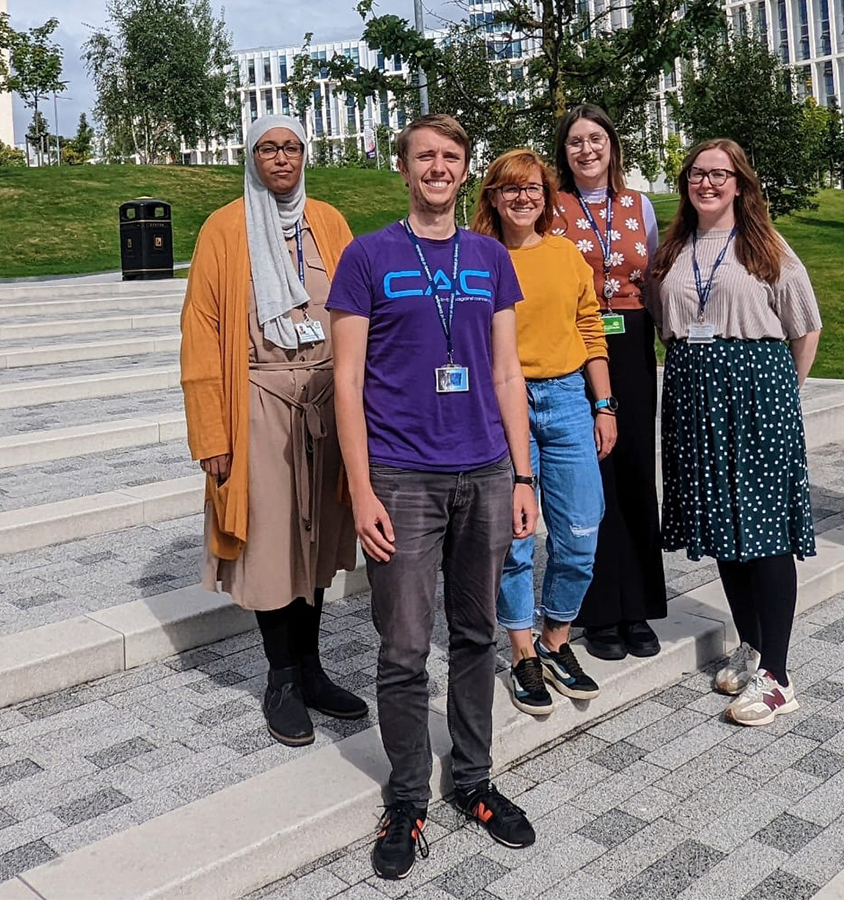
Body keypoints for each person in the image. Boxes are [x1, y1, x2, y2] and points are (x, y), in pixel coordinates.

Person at [327, 114, 540, 880]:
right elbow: (345, 383)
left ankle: (476, 783)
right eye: (425, 156)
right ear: (404, 166)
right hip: (402, 477)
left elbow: (508, 374)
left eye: (451, 157)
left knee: (477, 635)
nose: (438, 168)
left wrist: (522, 475)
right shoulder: (368, 256)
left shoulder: (490, 258)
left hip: (485, 469)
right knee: (404, 648)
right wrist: (361, 490)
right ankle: (409, 796)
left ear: (463, 168)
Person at [179, 115, 367, 748]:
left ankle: (312, 669)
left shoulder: (331, 223)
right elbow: (202, 333)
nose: (281, 158)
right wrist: (212, 436)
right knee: (270, 542)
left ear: (305, 153)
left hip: (325, 398)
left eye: (291, 146)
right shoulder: (225, 229)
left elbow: (359, 310)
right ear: (252, 156)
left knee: (316, 539)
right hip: (255, 398)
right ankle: (281, 676)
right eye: (269, 148)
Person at [646, 137, 822, 727]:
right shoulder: (673, 248)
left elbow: (805, 325)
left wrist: (781, 393)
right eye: (698, 173)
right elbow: (661, 321)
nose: (708, 183)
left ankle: (777, 673)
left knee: (765, 528)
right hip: (693, 394)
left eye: (720, 174)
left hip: (757, 393)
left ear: (741, 184)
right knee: (722, 524)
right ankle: (750, 642)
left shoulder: (765, 245)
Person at [471, 148, 616, 717]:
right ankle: (522, 650)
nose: (522, 197)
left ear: (547, 195)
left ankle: (557, 639)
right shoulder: (476, 256)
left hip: (567, 400)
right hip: (503, 404)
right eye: (509, 189)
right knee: (515, 539)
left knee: (582, 530)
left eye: (532, 187)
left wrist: (604, 404)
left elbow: (590, 329)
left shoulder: (567, 256)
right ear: (493, 198)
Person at [550, 104, 669, 661]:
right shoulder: (552, 208)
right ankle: (597, 611)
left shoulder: (638, 205)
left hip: (633, 343)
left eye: (595, 139)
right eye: (575, 141)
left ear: (613, 145)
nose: (587, 150)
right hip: (576, 347)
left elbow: (656, 278)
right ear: (564, 150)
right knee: (589, 480)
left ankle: (638, 606)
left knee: (635, 474)